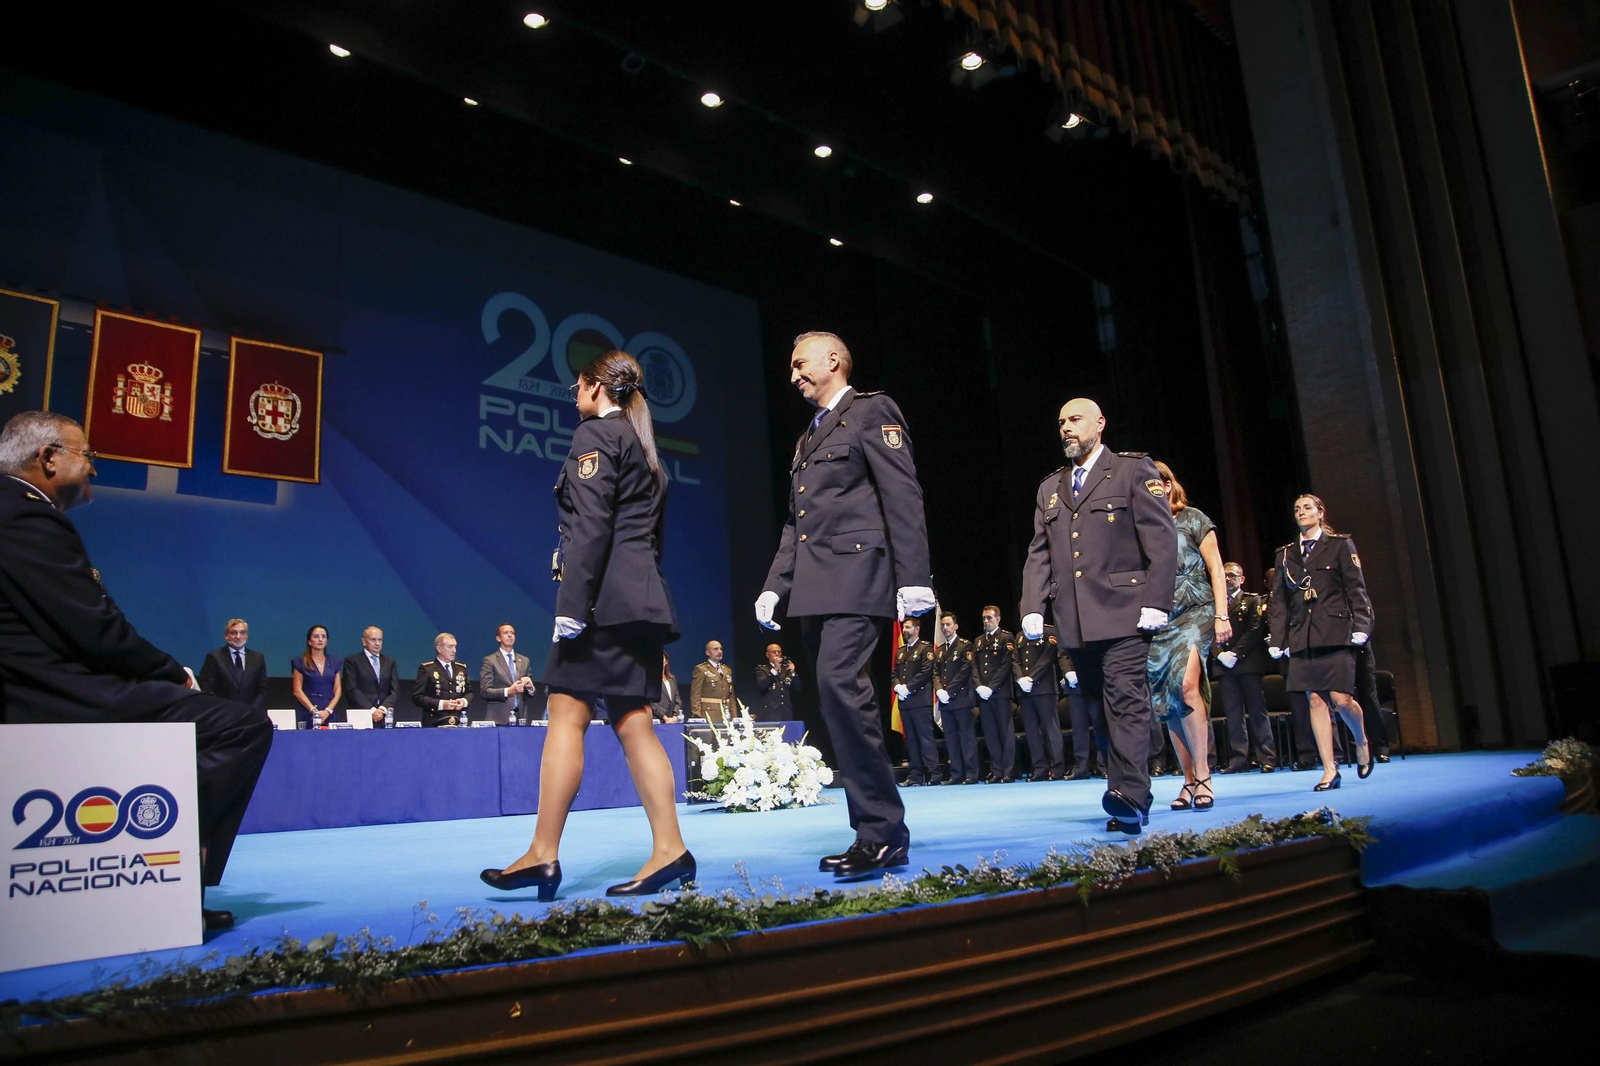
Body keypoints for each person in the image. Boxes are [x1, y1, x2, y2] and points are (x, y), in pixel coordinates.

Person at [0, 411, 271, 930]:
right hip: (51, 694)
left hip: (38, 683)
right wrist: (172, 673)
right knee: (240, 726)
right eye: (88, 456)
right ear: (48, 458)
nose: (93, 470)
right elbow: (96, 631)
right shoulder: (27, 517)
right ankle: (165, 863)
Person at [483, 349, 691, 899]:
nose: (574, 393)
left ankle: (543, 855)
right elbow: (647, 538)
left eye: (578, 384)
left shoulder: (595, 436)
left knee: (566, 716)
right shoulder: (644, 445)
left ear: (598, 387)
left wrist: (571, 607)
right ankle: (668, 850)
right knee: (632, 719)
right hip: (641, 601)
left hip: (603, 604)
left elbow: (591, 529)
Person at [754, 330, 934, 879]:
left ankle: (881, 831)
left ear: (833, 360)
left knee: (840, 688)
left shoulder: (871, 411)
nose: (792, 375)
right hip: (816, 588)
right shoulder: (808, 437)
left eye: (799, 363)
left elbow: (902, 495)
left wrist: (915, 579)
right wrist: (774, 584)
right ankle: (877, 831)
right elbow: (797, 521)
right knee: (836, 701)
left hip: (860, 577)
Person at [1020, 398, 1177, 835]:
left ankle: (1131, 795)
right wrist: (1032, 605)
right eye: (1061, 422)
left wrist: (1157, 601)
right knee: (1098, 710)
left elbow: (1163, 542)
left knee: (1125, 700)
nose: (1066, 428)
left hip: (1126, 612)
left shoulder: (1132, 470)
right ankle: (1125, 791)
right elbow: (1040, 554)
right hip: (1075, 619)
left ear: (1099, 424)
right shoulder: (1050, 487)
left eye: (1074, 420)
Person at [1268, 493, 1376, 790]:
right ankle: (1330, 769)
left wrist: (1362, 626)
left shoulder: (1339, 545)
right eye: (1296, 509)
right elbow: (1280, 601)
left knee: (1341, 700)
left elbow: (1356, 589)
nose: (1301, 513)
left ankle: (1361, 740)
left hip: (1337, 631)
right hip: (1302, 634)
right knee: (1315, 700)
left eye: (1306, 508)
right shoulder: (1286, 554)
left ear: (1320, 512)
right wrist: (1279, 638)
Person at [1144, 461, 1230, 812]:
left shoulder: (1193, 518)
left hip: (1197, 611)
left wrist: (1222, 614)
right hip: (1159, 619)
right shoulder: (1143, 528)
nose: (1152, 490)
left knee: (1187, 686)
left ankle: (1205, 776)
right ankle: (1189, 779)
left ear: (1168, 485)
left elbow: (1216, 569)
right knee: (1168, 701)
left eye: (1157, 484)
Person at [1213, 562, 1275, 772]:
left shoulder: (1252, 599)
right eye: (1225, 575)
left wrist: (1236, 654)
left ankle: (1266, 756)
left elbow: (1255, 630)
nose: (1228, 579)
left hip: (1247, 663)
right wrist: (1220, 654)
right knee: (1233, 713)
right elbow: (1207, 632)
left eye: (1232, 575)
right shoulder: (1215, 604)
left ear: (1242, 579)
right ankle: (1239, 759)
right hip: (1225, 666)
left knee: (1257, 711)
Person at [1013, 622, 1067, 781]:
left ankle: (1057, 768)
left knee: (1051, 729)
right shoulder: (1020, 635)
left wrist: (1031, 677)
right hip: (1025, 690)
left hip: (1044, 688)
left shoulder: (1048, 631)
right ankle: (1039, 769)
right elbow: (1015, 659)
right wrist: (1020, 678)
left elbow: (1048, 657)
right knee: (1032, 731)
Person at [892, 615, 941, 786]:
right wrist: (898, 686)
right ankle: (915, 776)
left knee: (925, 739)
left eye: (908, 627)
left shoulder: (925, 649)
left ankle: (934, 773)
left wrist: (908, 688)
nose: (905, 631)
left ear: (917, 629)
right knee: (911, 740)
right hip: (905, 702)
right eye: (904, 628)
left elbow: (926, 672)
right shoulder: (900, 652)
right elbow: (894, 674)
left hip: (920, 700)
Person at [972, 605, 1018, 783]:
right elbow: (974, 666)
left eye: (989, 618)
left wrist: (991, 687)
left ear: (998, 619)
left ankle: (1008, 771)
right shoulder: (978, 641)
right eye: (984, 618)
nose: (986, 621)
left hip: (1000, 693)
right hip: (983, 695)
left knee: (1005, 733)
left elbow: (1006, 666)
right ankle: (996, 770)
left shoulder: (1006, 637)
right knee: (990, 734)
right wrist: (979, 686)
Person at [934, 612, 979, 785]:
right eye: (942, 625)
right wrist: (939, 690)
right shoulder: (941, 650)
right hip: (945, 702)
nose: (945, 628)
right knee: (951, 739)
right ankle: (956, 774)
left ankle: (971, 774)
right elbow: (936, 672)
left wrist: (948, 691)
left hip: (961, 699)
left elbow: (964, 671)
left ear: (956, 626)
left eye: (948, 625)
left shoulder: (965, 646)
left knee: (966, 738)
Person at [197, 618, 268, 712]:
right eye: (233, 633)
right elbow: (206, 688)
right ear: (226, 636)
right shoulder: (214, 657)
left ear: (246, 636)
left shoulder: (258, 658)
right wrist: (222, 709)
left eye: (242, 632)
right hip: (223, 715)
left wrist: (252, 710)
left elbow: (262, 689)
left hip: (250, 715)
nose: (238, 636)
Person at [1060, 647, 1110, 780]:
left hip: (1094, 681)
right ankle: (1081, 767)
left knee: (1100, 724)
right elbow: (1063, 653)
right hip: (1074, 684)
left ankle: (1106, 766)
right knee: (1078, 728)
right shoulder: (1067, 629)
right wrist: (1069, 671)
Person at [340, 625, 400, 727]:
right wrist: (371, 710)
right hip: (361, 715)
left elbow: (395, 690)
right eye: (373, 640)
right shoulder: (352, 661)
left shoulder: (389, 662)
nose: (377, 643)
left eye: (380, 640)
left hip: (384, 716)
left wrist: (382, 709)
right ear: (364, 641)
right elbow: (351, 688)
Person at [480, 623, 534, 725]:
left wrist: (530, 688)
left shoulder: (524, 660)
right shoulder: (490, 660)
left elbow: (530, 693)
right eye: (506, 633)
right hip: (498, 719)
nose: (510, 635)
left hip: (520, 719)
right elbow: (485, 691)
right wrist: (508, 691)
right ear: (498, 638)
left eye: (512, 633)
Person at [414, 633, 471, 726]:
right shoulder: (427, 669)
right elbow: (417, 697)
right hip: (434, 721)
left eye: (455, 647)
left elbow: (469, 691)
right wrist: (441, 704)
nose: (454, 650)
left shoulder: (461, 668)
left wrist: (464, 701)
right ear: (439, 649)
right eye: (450, 647)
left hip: (457, 721)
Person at [290, 624, 341, 727]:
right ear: (309, 641)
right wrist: (313, 711)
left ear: (326, 641)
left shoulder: (335, 662)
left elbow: (338, 690)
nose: (320, 639)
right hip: (308, 710)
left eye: (323, 636)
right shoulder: (300, 662)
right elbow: (297, 691)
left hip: (329, 711)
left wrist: (328, 710)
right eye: (316, 636)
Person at [689, 640, 734, 724]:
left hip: (727, 714)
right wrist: (697, 715)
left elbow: (731, 696)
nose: (719, 651)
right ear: (707, 652)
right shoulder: (701, 669)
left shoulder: (727, 670)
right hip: (709, 714)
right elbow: (695, 694)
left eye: (720, 649)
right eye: (715, 649)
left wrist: (734, 715)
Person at [753, 642, 802, 720]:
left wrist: (793, 672)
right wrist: (775, 669)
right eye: (774, 652)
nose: (777, 654)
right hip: (770, 712)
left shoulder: (786, 669)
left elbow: (797, 689)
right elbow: (763, 686)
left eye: (779, 652)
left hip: (786, 711)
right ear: (767, 655)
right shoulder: (762, 669)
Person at [651, 652, 683, 723]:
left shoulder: (672, 679)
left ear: (666, 662)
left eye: (662, 659)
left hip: (672, 721)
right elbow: (651, 703)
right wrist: (664, 717)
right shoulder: (650, 679)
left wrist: (675, 716)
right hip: (657, 720)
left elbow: (677, 700)